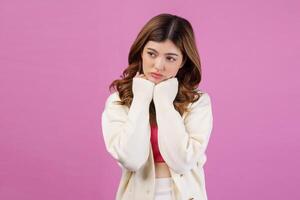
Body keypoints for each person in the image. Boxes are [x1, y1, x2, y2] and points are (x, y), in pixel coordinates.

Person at [101, 13, 213, 200]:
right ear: (141, 52)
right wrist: (142, 98)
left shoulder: (198, 102)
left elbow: (182, 162)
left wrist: (163, 102)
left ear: (183, 61)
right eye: (151, 54)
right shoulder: (118, 102)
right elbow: (131, 159)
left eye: (170, 58)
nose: (158, 66)